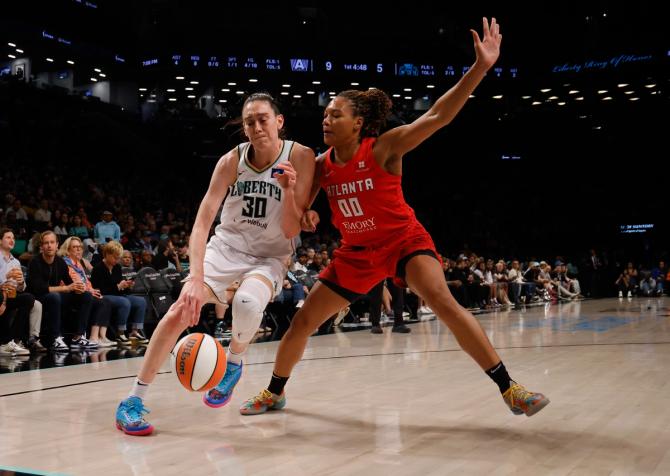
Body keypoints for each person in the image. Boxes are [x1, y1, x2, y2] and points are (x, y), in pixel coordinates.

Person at [240, 18, 549, 418]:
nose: (326, 119)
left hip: (404, 241)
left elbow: (437, 116)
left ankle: (511, 389)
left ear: (359, 124)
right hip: (356, 253)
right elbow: (298, 218)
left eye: (335, 114)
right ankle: (274, 392)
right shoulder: (320, 165)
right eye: (326, 113)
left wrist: (480, 68)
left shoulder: (385, 148)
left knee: (443, 301)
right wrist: (306, 214)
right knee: (301, 323)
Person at [115, 92, 315, 435]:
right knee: (181, 310)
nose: (255, 126)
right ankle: (132, 400)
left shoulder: (300, 156)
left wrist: (286, 190)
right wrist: (195, 277)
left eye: (263, 119)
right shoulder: (230, 161)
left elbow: (291, 229)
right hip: (226, 248)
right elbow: (202, 223)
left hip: (270, 255)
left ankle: (234, 362)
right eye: (249, 121)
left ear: (279, 121)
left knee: (248, 302)